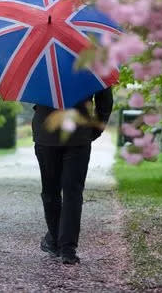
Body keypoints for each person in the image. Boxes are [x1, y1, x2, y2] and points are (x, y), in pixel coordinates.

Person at [32, 87, 113, 265]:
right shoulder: (94, 62)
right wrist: (95, 130)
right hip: (78, 135)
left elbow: (33, 92)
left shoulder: (43, 60)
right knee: (73, 193)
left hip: (47, 134)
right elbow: (105, 102)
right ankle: (67, 248)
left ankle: (55, 241)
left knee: (51, 191)